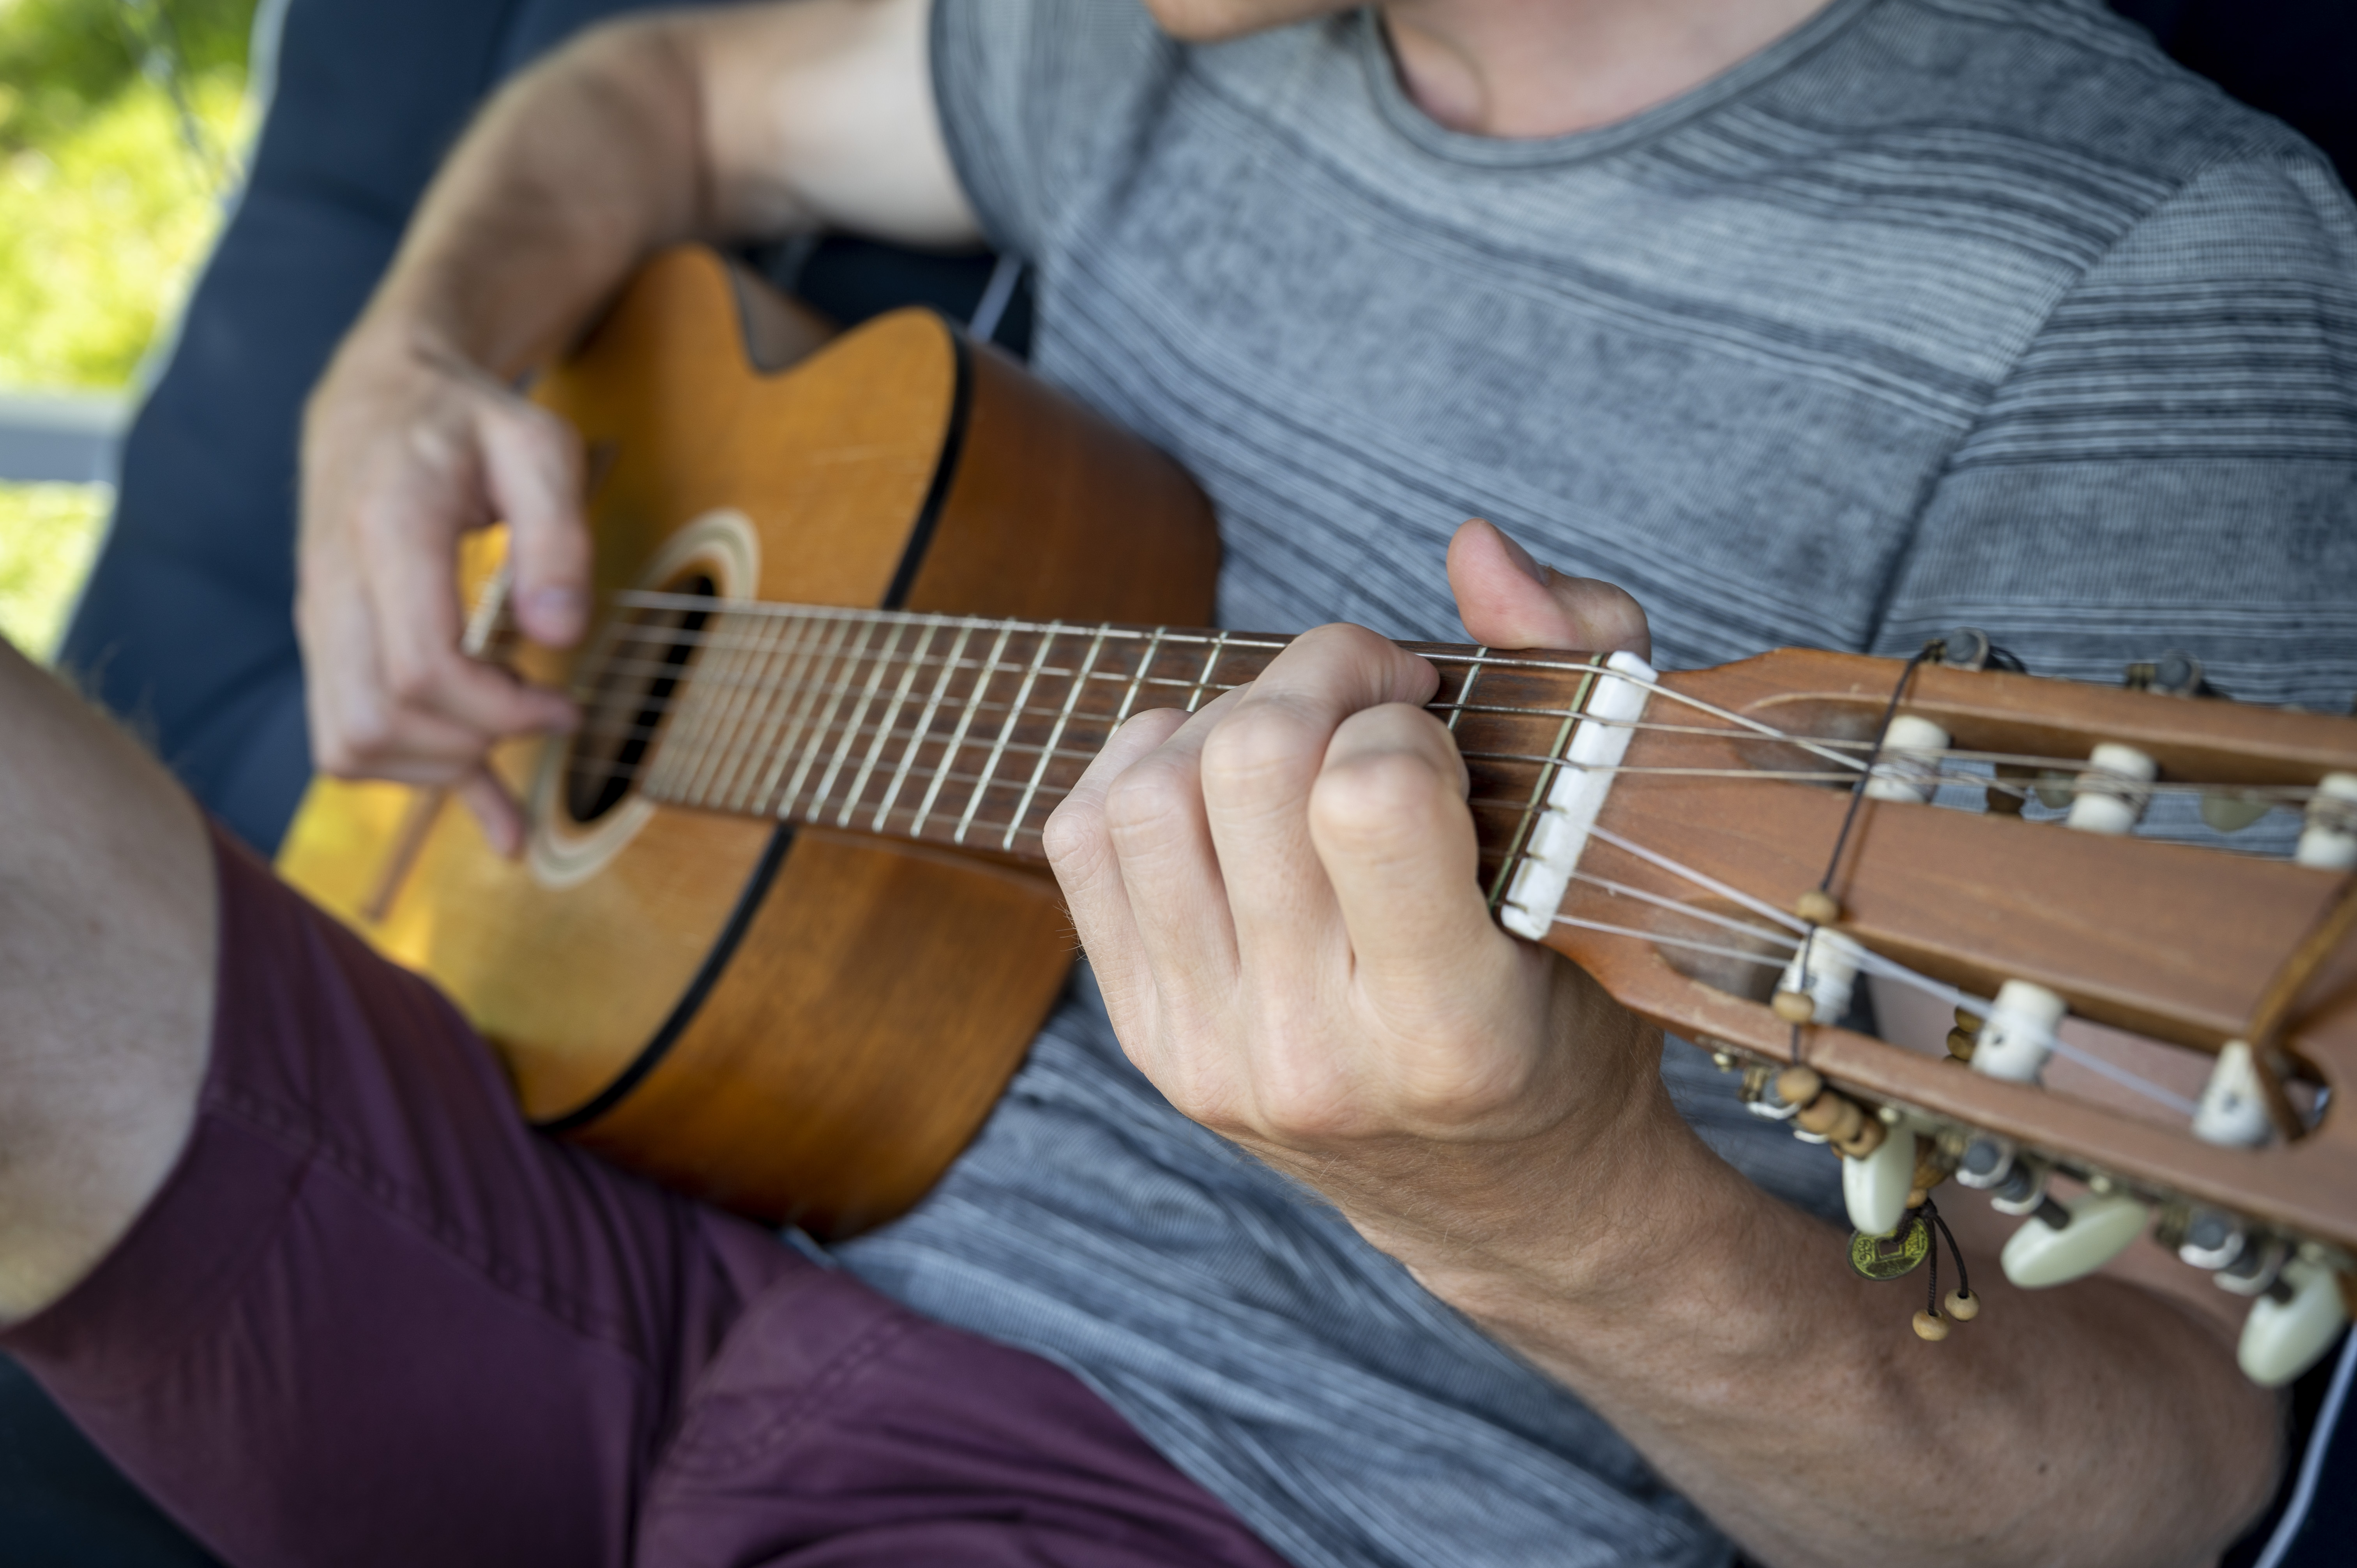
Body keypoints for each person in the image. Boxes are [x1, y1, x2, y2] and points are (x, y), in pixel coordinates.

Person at [5, 0, 2354, 1563]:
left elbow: (2164, 1448)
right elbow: (657, 90)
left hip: (1204, 1497)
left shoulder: (2132, 272)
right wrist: (401, 367)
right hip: (595, 1190)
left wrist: (1552, 1208)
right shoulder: (1172, 27)